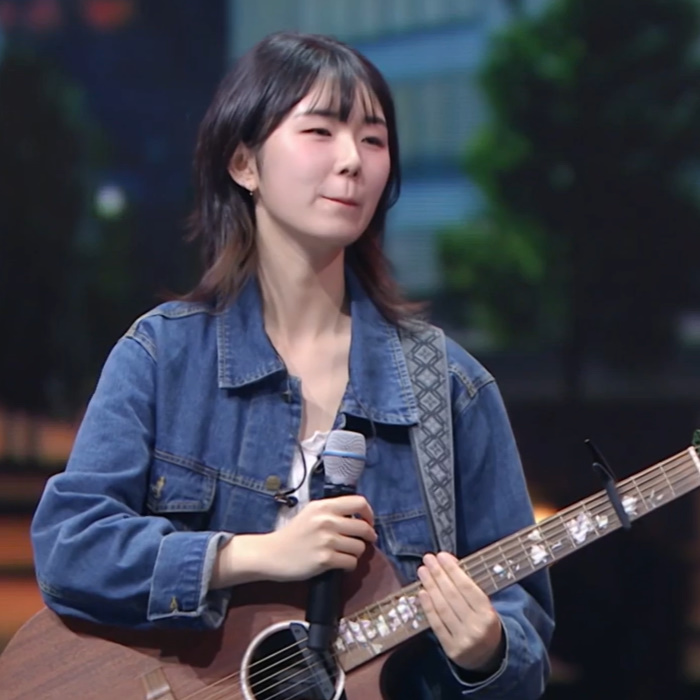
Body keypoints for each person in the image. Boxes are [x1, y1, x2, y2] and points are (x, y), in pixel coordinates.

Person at [30, 31, 554, 699]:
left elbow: (524, 636)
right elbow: (70, 546)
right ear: (243, 162)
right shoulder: (163, 356)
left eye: (373, 139)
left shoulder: (452, 388)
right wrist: (250, 554)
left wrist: (487, 652)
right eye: (320, 131)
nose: (352, 161)